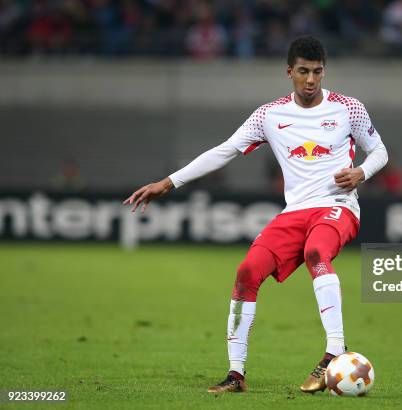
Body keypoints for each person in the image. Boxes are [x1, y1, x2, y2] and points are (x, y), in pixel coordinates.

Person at [123, 35, 388, 394]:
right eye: (304, 72)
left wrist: (362, 173)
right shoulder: (269, 115)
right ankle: (236, 374)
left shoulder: (348, 108)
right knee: (247, 272)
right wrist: (170, 182)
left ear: (325, 71)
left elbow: (379, 152)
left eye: (318, 72)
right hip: (294, 212)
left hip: (337, 207)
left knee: (316, 252)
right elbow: (225, 151)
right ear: (289, 71)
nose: (311, 80)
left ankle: (334, 351)